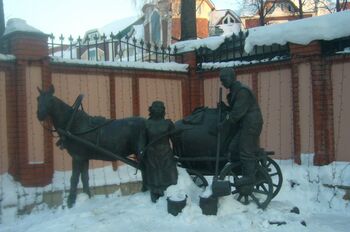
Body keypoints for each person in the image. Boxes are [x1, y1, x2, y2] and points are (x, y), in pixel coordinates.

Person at [219, 67, 263, 186]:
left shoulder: (243, 91)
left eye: (224, 79)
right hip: (244, 124)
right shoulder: (234, 92)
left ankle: (249, 176)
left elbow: (237, 114)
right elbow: (235, 110)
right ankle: (245, 169)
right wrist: (225, 108)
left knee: (245, 149)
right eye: (221, 80)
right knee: (233, 147)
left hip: (251, 123)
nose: (222, 83)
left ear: (232, 77)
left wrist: (223, 124)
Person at [143, 101, 178, 202]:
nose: (159, 110)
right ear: (151, 110)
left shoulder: (168, 123)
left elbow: (175, 140)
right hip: (151, 153)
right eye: (156, 108)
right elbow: (142, 140)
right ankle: (155, 192)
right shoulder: (147, 124)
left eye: (161, 108)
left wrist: (176, 153)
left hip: (166, 152)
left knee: (168, 172)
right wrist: (141, 152)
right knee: (153, 173)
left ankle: (169, 191)